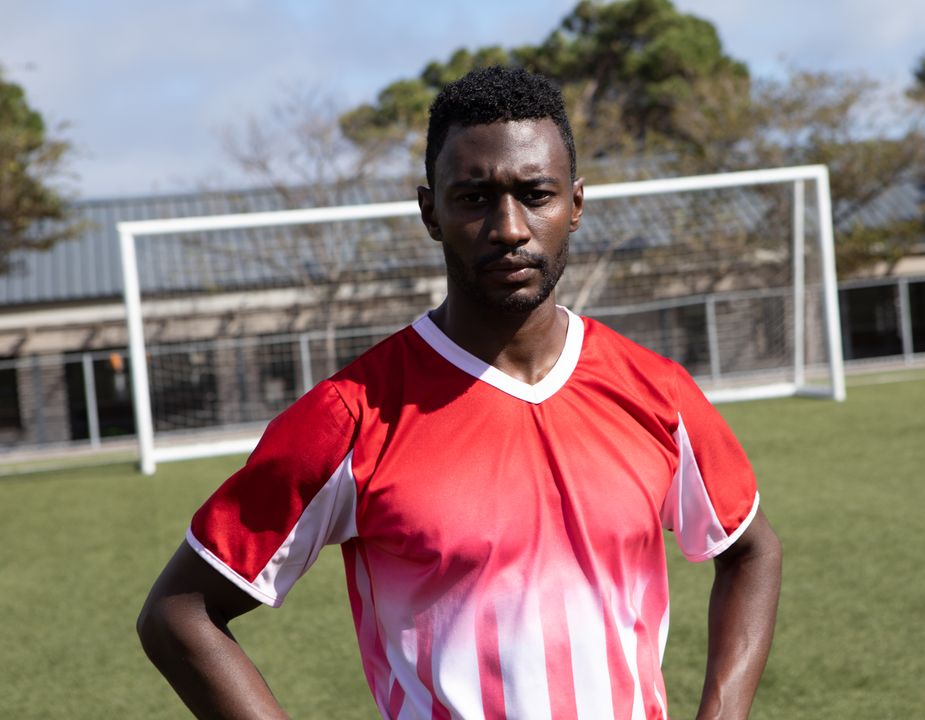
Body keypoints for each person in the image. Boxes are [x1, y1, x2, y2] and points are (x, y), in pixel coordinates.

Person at [137, 65, 782, 720]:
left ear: (576, 205)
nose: (509, 227)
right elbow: (179, 611)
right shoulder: (352, 417)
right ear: (430, 212)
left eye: (536, 193)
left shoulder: (655, 391)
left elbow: (751, 549)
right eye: (474, 198)